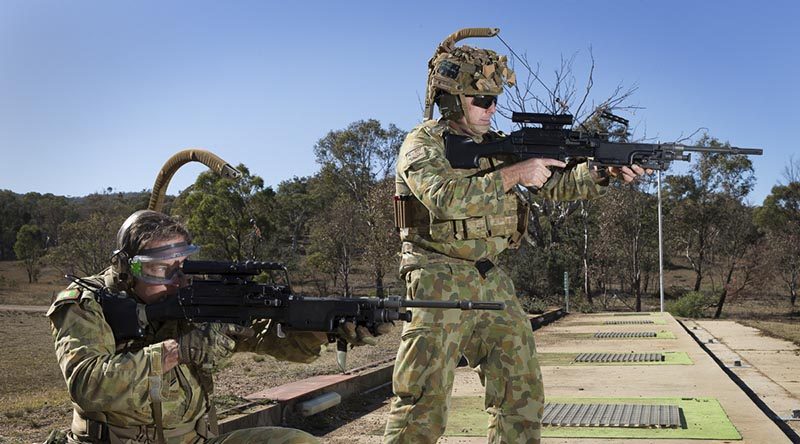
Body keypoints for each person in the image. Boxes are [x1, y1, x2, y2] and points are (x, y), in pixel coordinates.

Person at [384, 38, 648, 443]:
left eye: (494, 101)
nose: (491, 109)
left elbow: (556, 185)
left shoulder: (495, 146)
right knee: (423, 399)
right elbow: (444, 199)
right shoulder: (422, 145)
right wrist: (516, 174)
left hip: (489, 277)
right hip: (435, 277)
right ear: (452, 100)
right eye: (481, 100)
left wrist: (603, 173)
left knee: (521, 391)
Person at [47, 210, 338, 444]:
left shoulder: (188, 297)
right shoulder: (87, 303)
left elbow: (263, 337)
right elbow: (87, 384)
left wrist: (326, 327)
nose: (178, 279)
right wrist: (180, 351)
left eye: (183, 265)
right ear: (127, 268)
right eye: (162, 269)